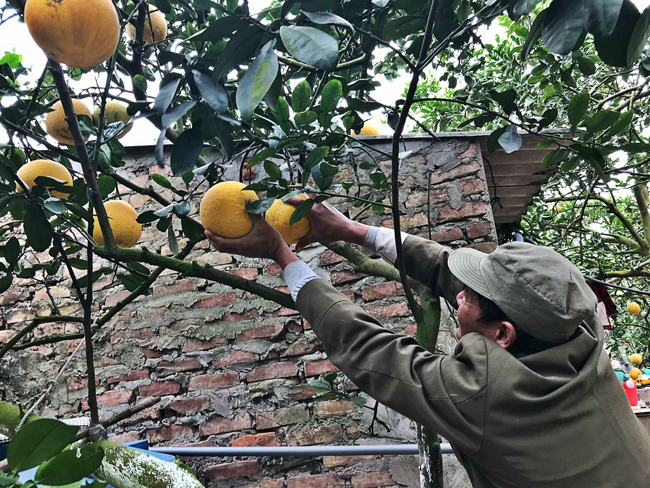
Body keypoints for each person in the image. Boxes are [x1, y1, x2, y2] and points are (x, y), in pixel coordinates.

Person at [205, 199, 650, 487]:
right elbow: (451, 271)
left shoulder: (486, 393)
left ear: (502, 335)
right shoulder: (575, 326)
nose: (457, 295)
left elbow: (368, 346)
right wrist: (351, 230)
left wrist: (282, 256)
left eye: (469, 298)